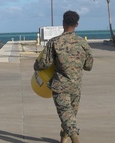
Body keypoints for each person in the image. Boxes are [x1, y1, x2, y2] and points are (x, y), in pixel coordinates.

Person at [34, 10, 93, 143]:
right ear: (77, 24)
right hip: (76, 86)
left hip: (60, 86)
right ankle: (64, 137)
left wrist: (36, 65)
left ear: (63, 23)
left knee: (66, 115)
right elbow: (89, 66)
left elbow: (44, 63)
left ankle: (73, 138)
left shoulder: (54, 42)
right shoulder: (83, 44)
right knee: (69, 114)